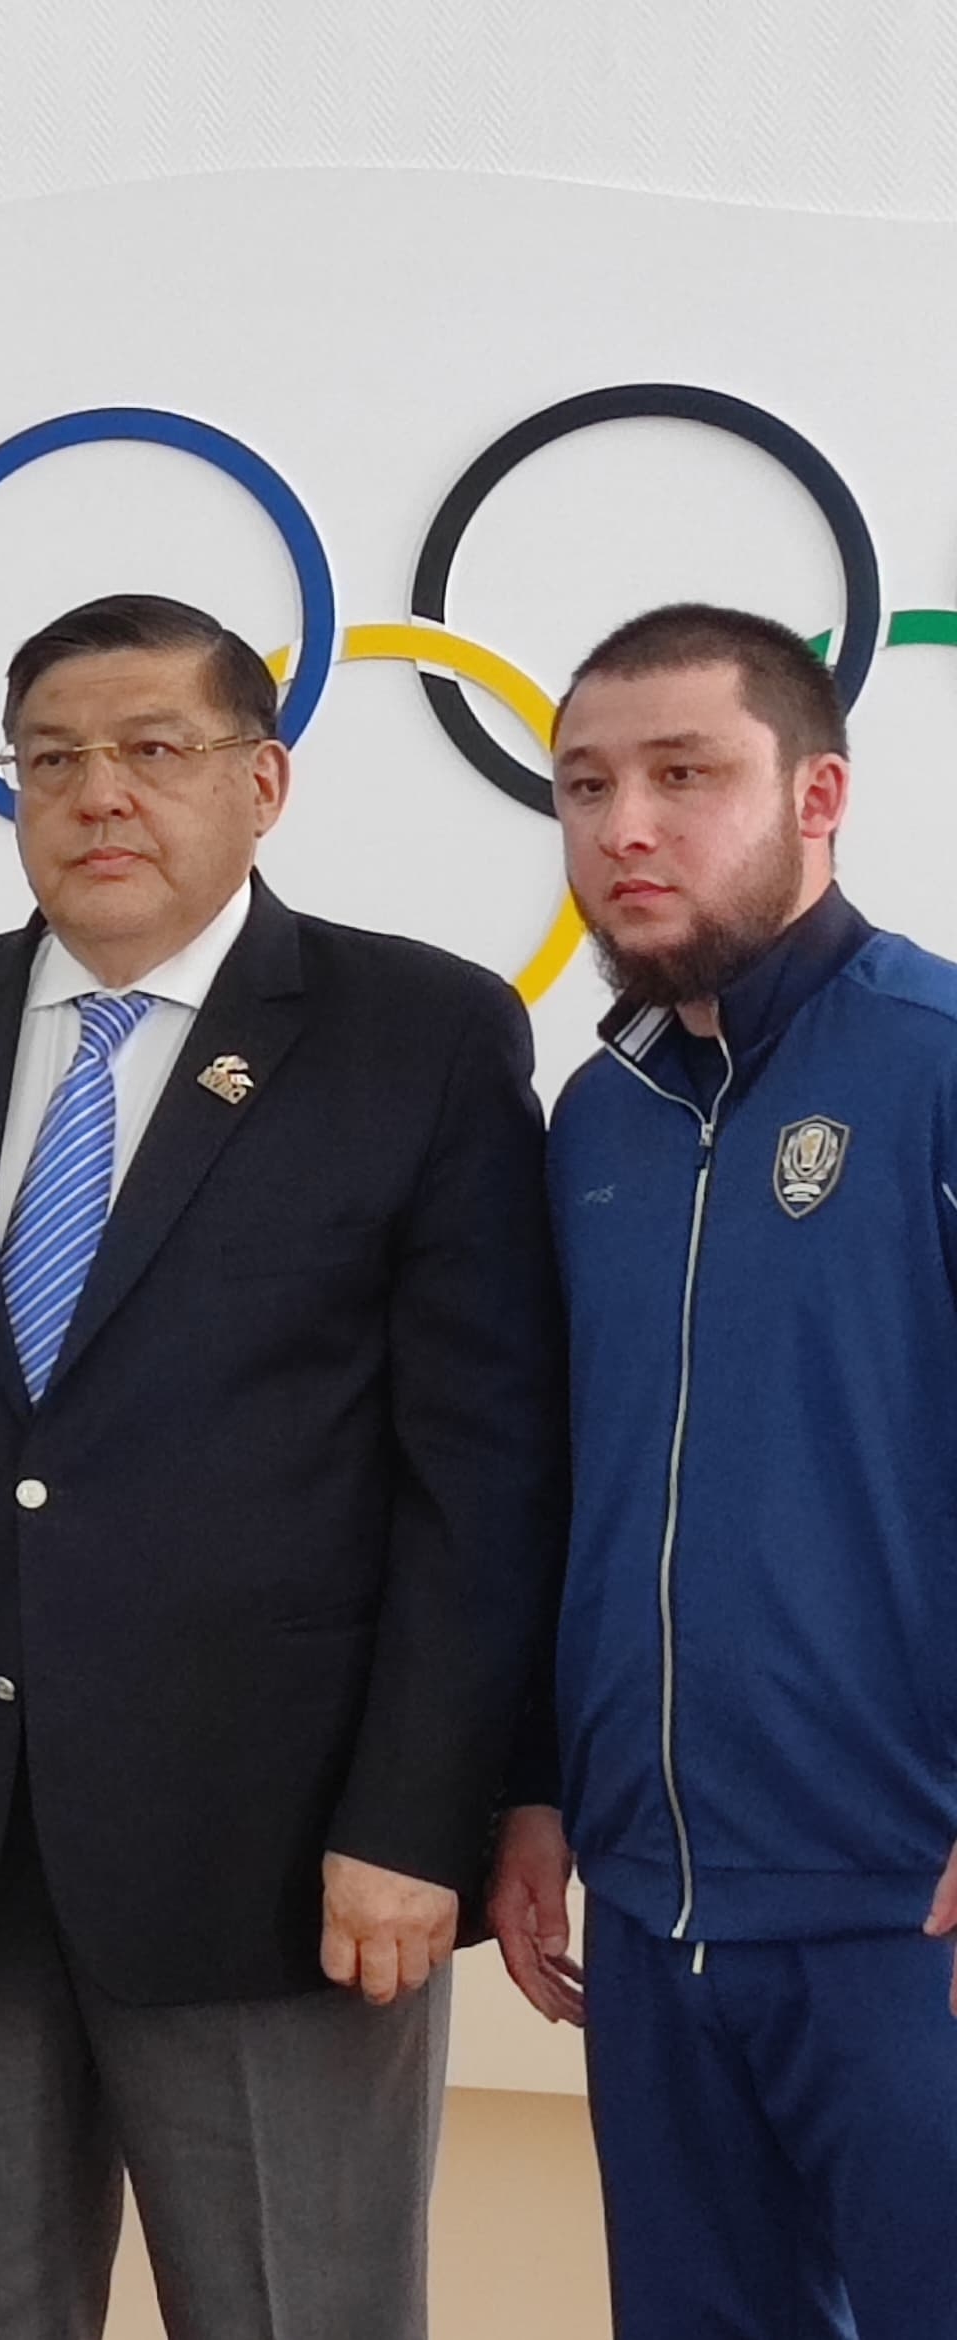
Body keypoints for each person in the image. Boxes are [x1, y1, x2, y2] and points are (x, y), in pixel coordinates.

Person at [0, 592, 563, 2339]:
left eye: (154, 749)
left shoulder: (417, 1034)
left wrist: (419, 1818)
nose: (98, 793)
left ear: (264, 783)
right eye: (52, 760)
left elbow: (478, 1481)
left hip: (284, 1866)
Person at [487, 602, 957, 2331]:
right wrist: (534, 1789)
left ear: (818, 794)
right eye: (586, 784)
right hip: (652, 1914)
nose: (625, 827)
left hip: (908, 1912)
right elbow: (560, 1488)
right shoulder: (593, 1119)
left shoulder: (938, 1063)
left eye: (686, 776)